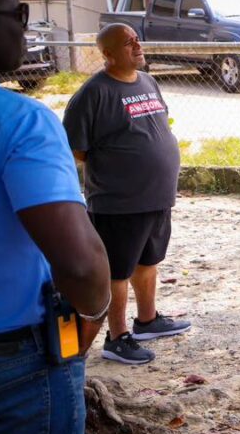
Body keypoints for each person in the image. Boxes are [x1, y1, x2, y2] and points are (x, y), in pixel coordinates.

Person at [0, 0, 112, 434]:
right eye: (18, 13)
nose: (25, 27)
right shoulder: (17, 120)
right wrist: (89, 324)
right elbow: (79, 261)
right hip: (12, 366)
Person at [63, 23, 190, 366]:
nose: (137, 45)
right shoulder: (94, 93)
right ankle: (116, 338)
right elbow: (76, 149)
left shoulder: (148, 81)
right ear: (106, 54)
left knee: (149, 262)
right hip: (119, 203)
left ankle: (147, 321)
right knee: (118, 271)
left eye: (137, 39)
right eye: (127, 42)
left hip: (156, 197)